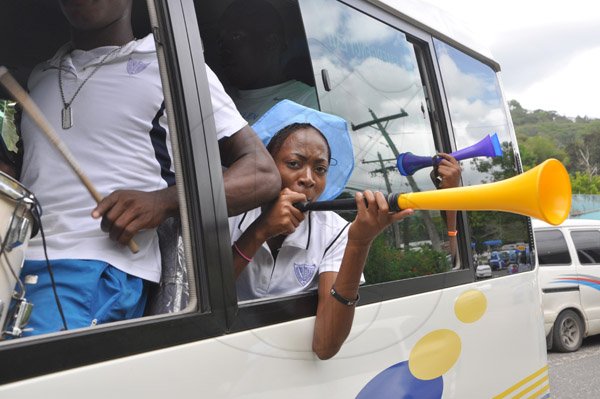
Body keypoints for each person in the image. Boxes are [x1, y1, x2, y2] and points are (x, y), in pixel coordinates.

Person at [7, 0, 280, 336]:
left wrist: (163, 201)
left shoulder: (173, 68)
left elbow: (262, 174)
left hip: (97, 272)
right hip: (14, 261)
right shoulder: (40, 76)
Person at [228, 101, 414, 359]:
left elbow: (325, 346)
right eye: (294, 163)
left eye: (320, 169)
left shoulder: (334, 231)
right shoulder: (231, 213)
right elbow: (198, 301)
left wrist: (358, 244)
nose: (309, 178)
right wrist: (260, 231)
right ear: (268, 167)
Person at [217, 0, 318, 124]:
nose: (224, 49)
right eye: (221, 42)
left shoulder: (308, 103)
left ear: (271, 43)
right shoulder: (218, 98)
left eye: (236, 36)